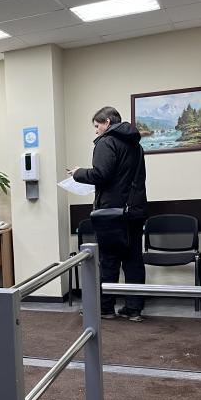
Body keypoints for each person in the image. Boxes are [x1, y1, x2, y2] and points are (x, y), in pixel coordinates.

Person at [68, 106, 147, 321]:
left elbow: (101, 174)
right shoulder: (136, 145)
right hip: (135, 211)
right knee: (133, 260)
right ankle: (134, 309)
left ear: (108, 122)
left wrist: (78, 173)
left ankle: (105, 308)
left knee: (109, 260)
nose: (96, 131)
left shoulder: (106, 141)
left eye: (97, 125)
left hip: (112, 212)